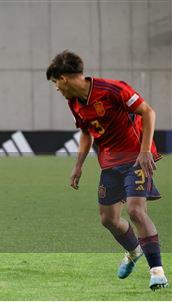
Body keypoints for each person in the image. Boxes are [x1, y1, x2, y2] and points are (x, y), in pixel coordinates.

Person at [46, 50, 168, 291]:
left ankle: (157, 273)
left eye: (55, 83)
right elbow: (85, 132)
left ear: (64, 78)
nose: (57, 89)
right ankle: (134, 251)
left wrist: (145, 151)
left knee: (135, 211)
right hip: (110, 163)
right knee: (108, 219)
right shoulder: (74, 103)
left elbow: (148, 112)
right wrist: (78, 165)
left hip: (136, 157)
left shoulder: (113, 89)